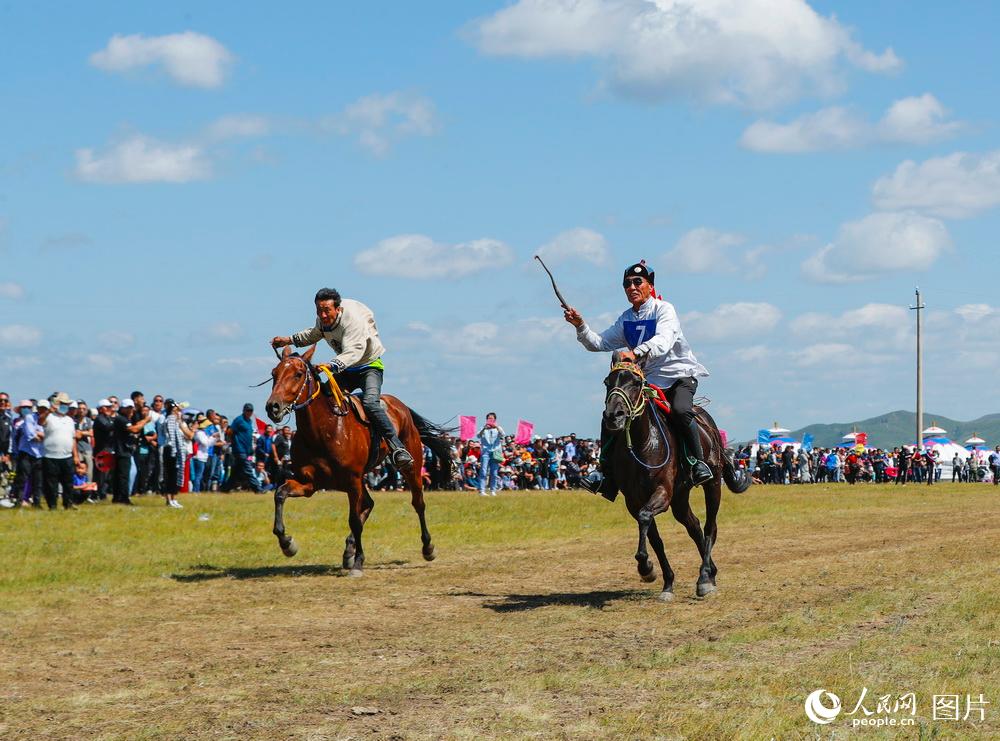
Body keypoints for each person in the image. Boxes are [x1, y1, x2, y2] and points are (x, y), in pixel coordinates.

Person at [563, 260, 711, 500]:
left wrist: (635, 352)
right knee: (612, 413)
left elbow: (663, 343)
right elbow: (598, 343)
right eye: (627, 284)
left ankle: (698, 464)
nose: (631, 287)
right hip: (648, 380)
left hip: (678, 376)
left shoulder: (664, 310)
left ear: (650, 286)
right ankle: (606, 475)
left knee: (681, 410)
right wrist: (580, 326)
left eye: (637, 282)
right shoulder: (626, 318)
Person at [271, 287, 414, 472]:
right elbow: (313, 334)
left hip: (369, 367)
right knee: (323, 397)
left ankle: (397, 447)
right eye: (319, 311)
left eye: (326, 311)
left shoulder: (352, 322)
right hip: (346, 369)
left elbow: (353, 352)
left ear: (337, 309)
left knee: (370, 403)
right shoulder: (323, 321)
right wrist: (287, 340)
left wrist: (331, 365)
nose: (322, 315)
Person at [40, 393, 79, 510]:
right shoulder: (49, 417)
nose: (65, 406)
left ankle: (68, 503)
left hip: (66, 456)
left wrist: (75, 455)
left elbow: (73, 439)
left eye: (66, 404)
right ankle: (52, 505)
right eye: (62, 404)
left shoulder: (69, 420)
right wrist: (48, 411)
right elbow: (40, 421)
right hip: (50, 456)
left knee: (68, 483)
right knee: (51, 484)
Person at [228, 403, 261, 492]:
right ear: (244, 410)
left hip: (247, 450)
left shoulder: (249, 421)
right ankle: (258, 489)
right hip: (239, 449)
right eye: (248, 410)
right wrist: (234, 442)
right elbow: (230, 431)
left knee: (235, 471)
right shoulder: (239, 420)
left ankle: (225, 488)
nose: (249, 412)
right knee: (248, 469)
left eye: (251, 411)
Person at [477, 412, 505, 497]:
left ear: (495, 420)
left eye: (492, 418)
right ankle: (482, 490)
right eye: (489, 418)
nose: (490, 420)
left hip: (495, 452)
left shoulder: (498, 428)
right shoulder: (483, 428)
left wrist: (496, 427)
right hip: (485, 451)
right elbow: (478, 436)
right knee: (483, 471)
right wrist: (483, 429)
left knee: (494, 472)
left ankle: (493, 490)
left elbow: (503, 435)